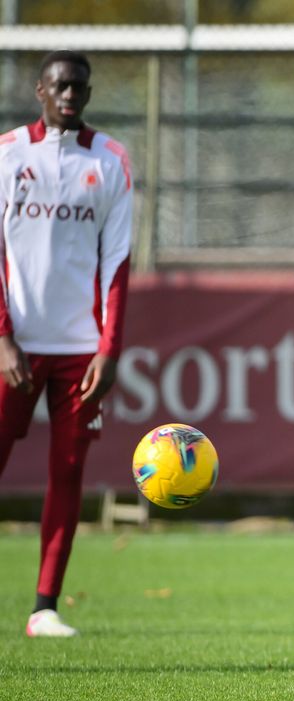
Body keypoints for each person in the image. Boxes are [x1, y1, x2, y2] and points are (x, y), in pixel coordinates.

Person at [0, 50, 132, 637]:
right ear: (40, 91)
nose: (70, 96)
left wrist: (109, 346)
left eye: (79, 87)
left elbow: (119, 262)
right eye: (60, 86)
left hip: (80, 348)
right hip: (16, 343)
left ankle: (44, 607)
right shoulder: (6, 156)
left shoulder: (110, 161)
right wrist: (2, 338)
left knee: (69, 471)